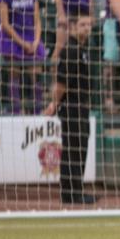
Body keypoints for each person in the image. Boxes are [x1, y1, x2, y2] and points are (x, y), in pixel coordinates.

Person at [43, 15, 95, 204]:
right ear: (72, 27)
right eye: (82, 24)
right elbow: (61, 82)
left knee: (79, 148)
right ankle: (72, 193)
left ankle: (74, 190)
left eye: (89, 24)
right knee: (74, 149)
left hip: (81, 106)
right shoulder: (71, 50)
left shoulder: (82, 49)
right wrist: (54, 104)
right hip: (72, 106)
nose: (87, 28)